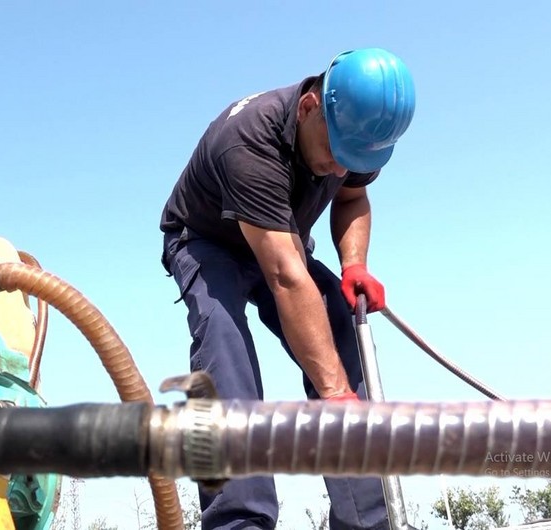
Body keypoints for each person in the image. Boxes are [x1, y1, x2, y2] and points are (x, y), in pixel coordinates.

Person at [159, 48, 416, 530]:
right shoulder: (248, 143)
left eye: (353, 161)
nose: (341, 170)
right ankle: (240, 519)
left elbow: (354, 196)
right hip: (208, 241)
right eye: (337, 157)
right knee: (224, 341)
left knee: (339, 322)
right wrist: (335, 392)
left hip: (282, 238)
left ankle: (367, 520)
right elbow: (285, 277)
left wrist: (353, 264)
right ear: (308, 108)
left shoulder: (355, 130)